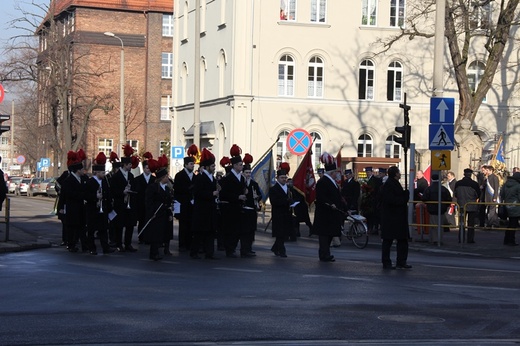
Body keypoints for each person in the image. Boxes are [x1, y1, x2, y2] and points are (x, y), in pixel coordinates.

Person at [379, 166, 412, 269]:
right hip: (392, 218)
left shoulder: (393, 183)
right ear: (395, 174)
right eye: (398, 172)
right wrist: (404, 197)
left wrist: (404, 195)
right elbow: (392, 200)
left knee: (402, 240)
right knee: (388, 241)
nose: (400, 174)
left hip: (397, 218)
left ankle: (401, 261)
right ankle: (387, 262)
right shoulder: (389, 185)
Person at [313, 152, 344, 262]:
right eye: (336, 172)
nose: (337, 173)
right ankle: (324, 254)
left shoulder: (332, 181)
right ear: (332, 172)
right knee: (324, 236)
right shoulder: (322, 182)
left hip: (332, 213)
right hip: (325, 213)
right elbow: (321, 197)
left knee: (330, 234)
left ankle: (326, 253)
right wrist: (330, 204)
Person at [190, 148, 219, 259]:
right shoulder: (200, 178)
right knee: (199, 233)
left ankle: (209, 253)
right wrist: (211, 193)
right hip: (201, 210)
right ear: (206, 167)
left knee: (210, 233)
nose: (214, 168)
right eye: (212, 166)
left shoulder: (212, 178)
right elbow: (198, 193)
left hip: (210, 209)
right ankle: (194, 252)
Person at [219, 145, 247, 258]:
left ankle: (233, 247)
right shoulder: (227, 179)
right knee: (230, 230)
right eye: (240, 165)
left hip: (239, 207)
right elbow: (224, 194)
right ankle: (229, 249)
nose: (242, 167)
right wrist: (237, 197)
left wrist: (245, 192)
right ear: (235, 166)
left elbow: (242, 189)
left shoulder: (242, 178)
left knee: (238, 230)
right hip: (230, 208)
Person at [110, 145, 138, 252]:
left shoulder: (130, 176)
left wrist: (131, 191)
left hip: (129, 203)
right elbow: (113, 191)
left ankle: (128, 243)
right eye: (130, 164)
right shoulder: (116, 176)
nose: (131, 166)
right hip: (120, 203)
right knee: (119, 225)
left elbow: (134, 188)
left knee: (130, 224)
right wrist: (123, 192)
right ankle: (118, 243)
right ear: (125, 165)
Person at [85, 152, 114, 255]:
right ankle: (92, 248)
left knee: (103, 230)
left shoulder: (105, 182)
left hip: (103, 209)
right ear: (96, 172)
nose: (103, 174)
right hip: (93, 209)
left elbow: (108, 194)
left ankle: (105, 247)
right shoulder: (90, 182)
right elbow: (86, 196)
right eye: (102, 173)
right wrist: (95, 197)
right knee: (91, 230)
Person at [143, 167, 174, 261]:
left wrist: (170, 213)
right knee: (155, 234)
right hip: (156, 214)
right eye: (165, 177)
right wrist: (152, 212)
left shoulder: (167, 189)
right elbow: (149, 201)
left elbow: (168, 202)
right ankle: (154, 253)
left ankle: (163, 249)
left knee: (162, 233)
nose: (167, 178)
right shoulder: (153, 187)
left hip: (164, 213)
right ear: (161, 178)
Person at [60, 150, 87, 252]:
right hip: (72, 207)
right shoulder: (68, 180)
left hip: (81, 207)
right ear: (77, 170)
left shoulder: (83, 179)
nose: (83, 170)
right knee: (72, 227)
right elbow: (67, 194)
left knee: (81, 227)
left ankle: (84, 245)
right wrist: (61, 208)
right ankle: (71, 244)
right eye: (81, 169)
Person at [173, 145, 197, 252]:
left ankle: (189, 243)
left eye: (193, 164)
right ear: (186, 164)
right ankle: (182, 244)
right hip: (183, 203)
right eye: (191, 164)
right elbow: (177, 189)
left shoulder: (195, 177)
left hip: (192, 204)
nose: (193, 166)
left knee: (191, 225)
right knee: (183, 225)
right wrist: (188, 189)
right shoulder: (179, 176)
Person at [269, 167, 293, 258]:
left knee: (284, 234)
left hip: (287, 213)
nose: (284, 179)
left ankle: (275, 248)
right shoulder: (273, 189)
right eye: (282, 178)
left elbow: (290, 198)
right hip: (278, 214)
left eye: (285, 177)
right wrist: (286, 201)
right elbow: (274, 202)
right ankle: (282, 251)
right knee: (280, 234)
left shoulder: (288, 188)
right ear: (277, 178)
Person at [422, 174, 452, 245]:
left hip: (432, 210)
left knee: (433, 225)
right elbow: (448, 199)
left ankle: (433, 239)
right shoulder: (444, 189)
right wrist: (445, 206)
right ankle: (439, 239)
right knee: (440, 225)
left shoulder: (429, 189)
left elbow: (424, 198)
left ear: (431, 179)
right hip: (441, 210)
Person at [241, 155, 261, 257]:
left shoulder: (254, 184)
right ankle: (244, 249)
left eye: (249, 173)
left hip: (252, 210)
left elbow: (259, 195)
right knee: (245, 231)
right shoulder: (241, 183)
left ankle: (249, 248)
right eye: (246, 173)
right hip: (243, 210)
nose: (248, 174)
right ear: (243, 173)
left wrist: (257, 197)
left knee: (251, 231)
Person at [454, 169, 481, 243]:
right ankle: (470, 239)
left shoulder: (458, 183)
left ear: (464, 174)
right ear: (471, 174)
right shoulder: (474, 184)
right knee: (471, 224)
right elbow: (478, 194)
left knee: (461, 223)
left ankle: (461, 238)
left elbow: (455, 194)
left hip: (461, 205)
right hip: (471, 205)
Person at [134, 155, 156, 244]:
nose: (148, 170)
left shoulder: (154, 179)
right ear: (143, 168)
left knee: (150, 220)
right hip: (141, 203)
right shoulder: (138, 179)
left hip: (150, 203)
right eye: (147, 168)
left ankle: (149, 237)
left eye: (149, 168)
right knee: (142, 220)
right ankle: (141, 237)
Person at [500, 172, 520, 246]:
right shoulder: (518, 186)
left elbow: (502, 194)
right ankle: (511, 240)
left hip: (507, 205)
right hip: (516, 206)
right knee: (513, 224)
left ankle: (507, 239)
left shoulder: (506, 184)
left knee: (510, 224)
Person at [361, 166, 382, 234]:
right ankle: (368, 227)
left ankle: (374, 228)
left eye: (369, 172)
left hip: (373, 200)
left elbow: (378, 189)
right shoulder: (365, 180)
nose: (368, 173)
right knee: (367, 215)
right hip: (367, 200)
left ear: (372, 172)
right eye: (367, 172)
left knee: (373, 215)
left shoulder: (376, 180)